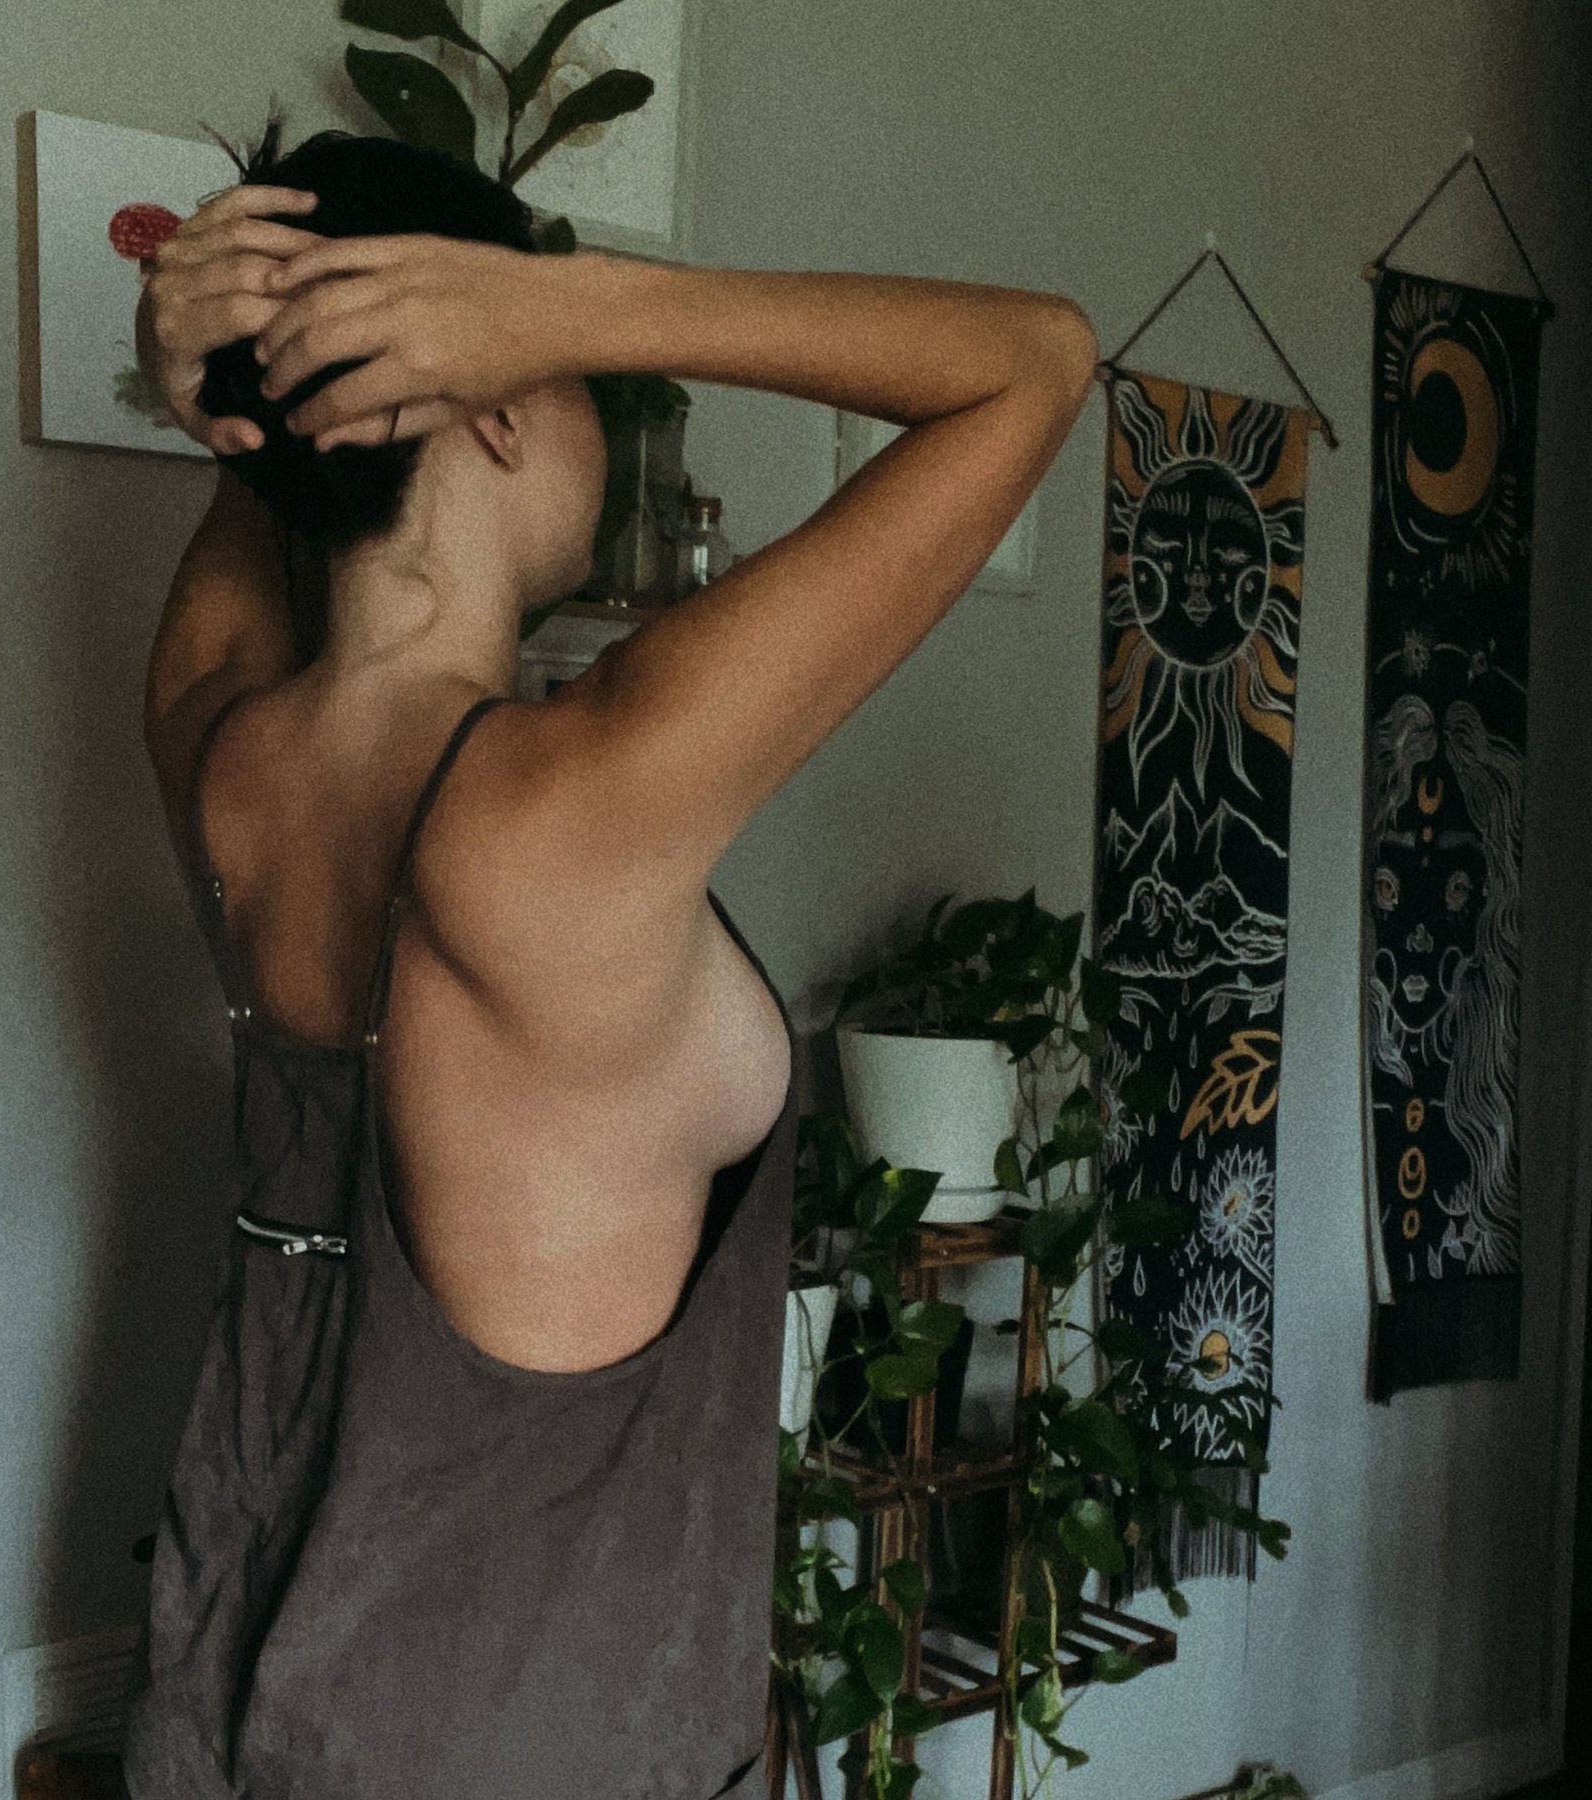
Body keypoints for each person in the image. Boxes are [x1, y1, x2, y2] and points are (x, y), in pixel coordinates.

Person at [122, 118, 1096, 1799]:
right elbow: (1036, 362)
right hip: (526, 1746)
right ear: (497, 398)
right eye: (561, 372)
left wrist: (237, 405)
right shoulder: (560, 808)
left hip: (219, 1698)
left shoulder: (230, 767)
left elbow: (239, 562)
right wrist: (568, 306)